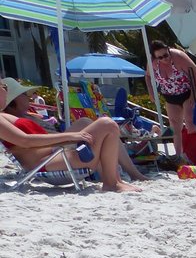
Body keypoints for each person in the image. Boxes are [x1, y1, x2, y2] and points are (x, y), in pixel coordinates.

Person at [1, 78, 141, 193]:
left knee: (92, 123)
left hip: (52, 155)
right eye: (2, 86)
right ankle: (111, 183)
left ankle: (114, 180)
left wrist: (71, 136)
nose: (4, 90)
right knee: (107, 124)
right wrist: (71, 136)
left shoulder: (5, 116)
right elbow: (25, 141)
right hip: (45, 163)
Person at [145, 41, 196, 160]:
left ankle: (193, 153)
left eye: (166, 54)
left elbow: (195, 74)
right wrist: (151, 92)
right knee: (175, 126)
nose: (165, 58)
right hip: (170, 96)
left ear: (168, 49)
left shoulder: (178, 57)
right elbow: (148, 76)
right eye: (161, 57)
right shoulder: (152, 63)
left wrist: (192, 95)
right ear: (155, 57)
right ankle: (178, 155)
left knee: (190, 122)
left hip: (188, 92)